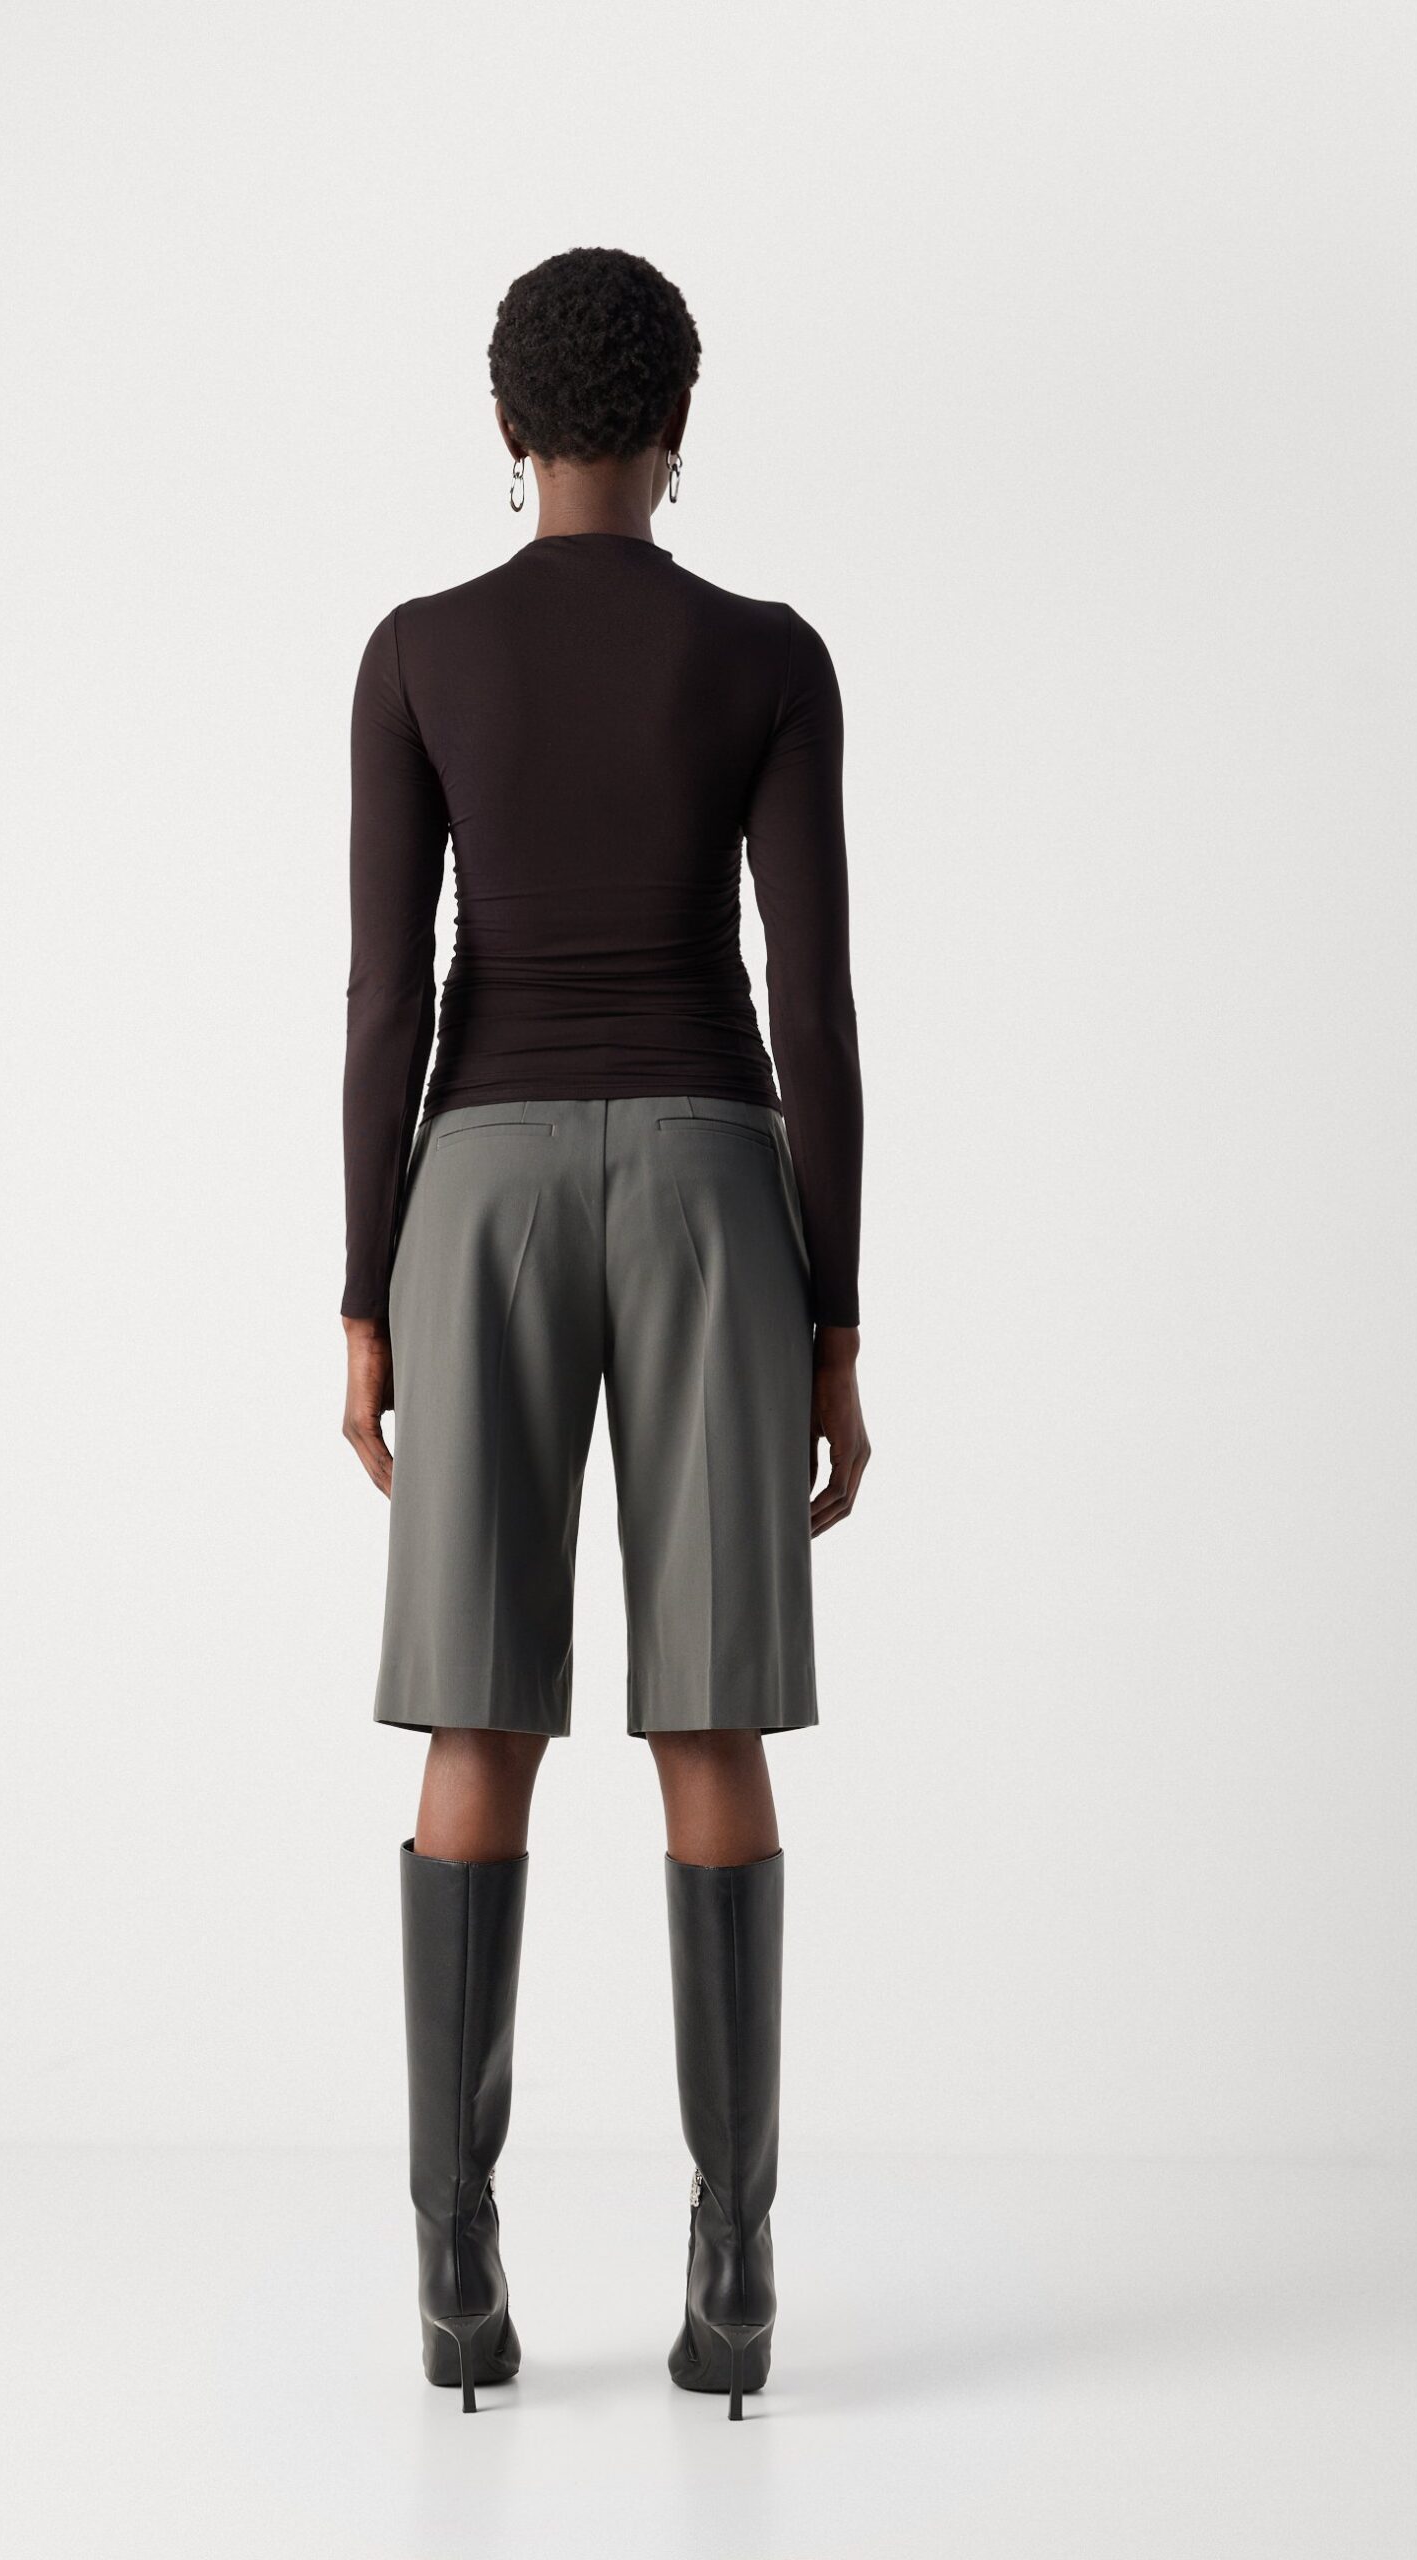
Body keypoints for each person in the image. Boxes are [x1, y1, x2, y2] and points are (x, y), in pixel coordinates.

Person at [340, 245, 868, 2419]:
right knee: (707, 1719)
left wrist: (360, 1290)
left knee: (480, 1716)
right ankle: (732, 2272)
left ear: (506, 427)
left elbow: (385, 992)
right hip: (712, 1182)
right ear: (673, 426)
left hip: (471, 1185)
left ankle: (455, 2275)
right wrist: (834, 1314)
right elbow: (813, 1004)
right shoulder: (764, 656)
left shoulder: (417, 654)